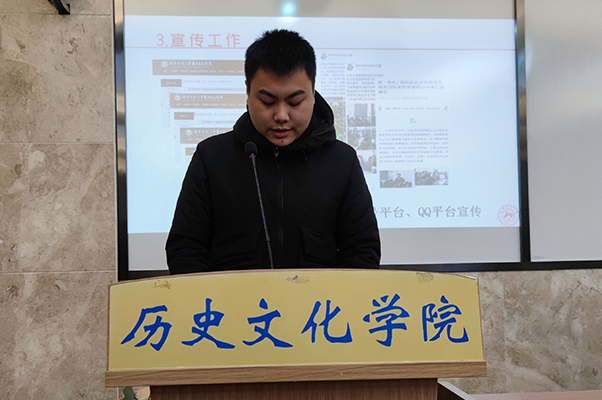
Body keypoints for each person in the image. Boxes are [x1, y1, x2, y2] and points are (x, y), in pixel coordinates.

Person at [166, 29, 380, 274]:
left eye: (295, 102)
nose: (281, 116)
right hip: (231, 299)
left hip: (319, 299)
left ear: (313, 92)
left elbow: (362, 250)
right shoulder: (212, 157)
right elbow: (185, 248)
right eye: (267, 102)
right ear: (248, 91)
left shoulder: (341, 161)